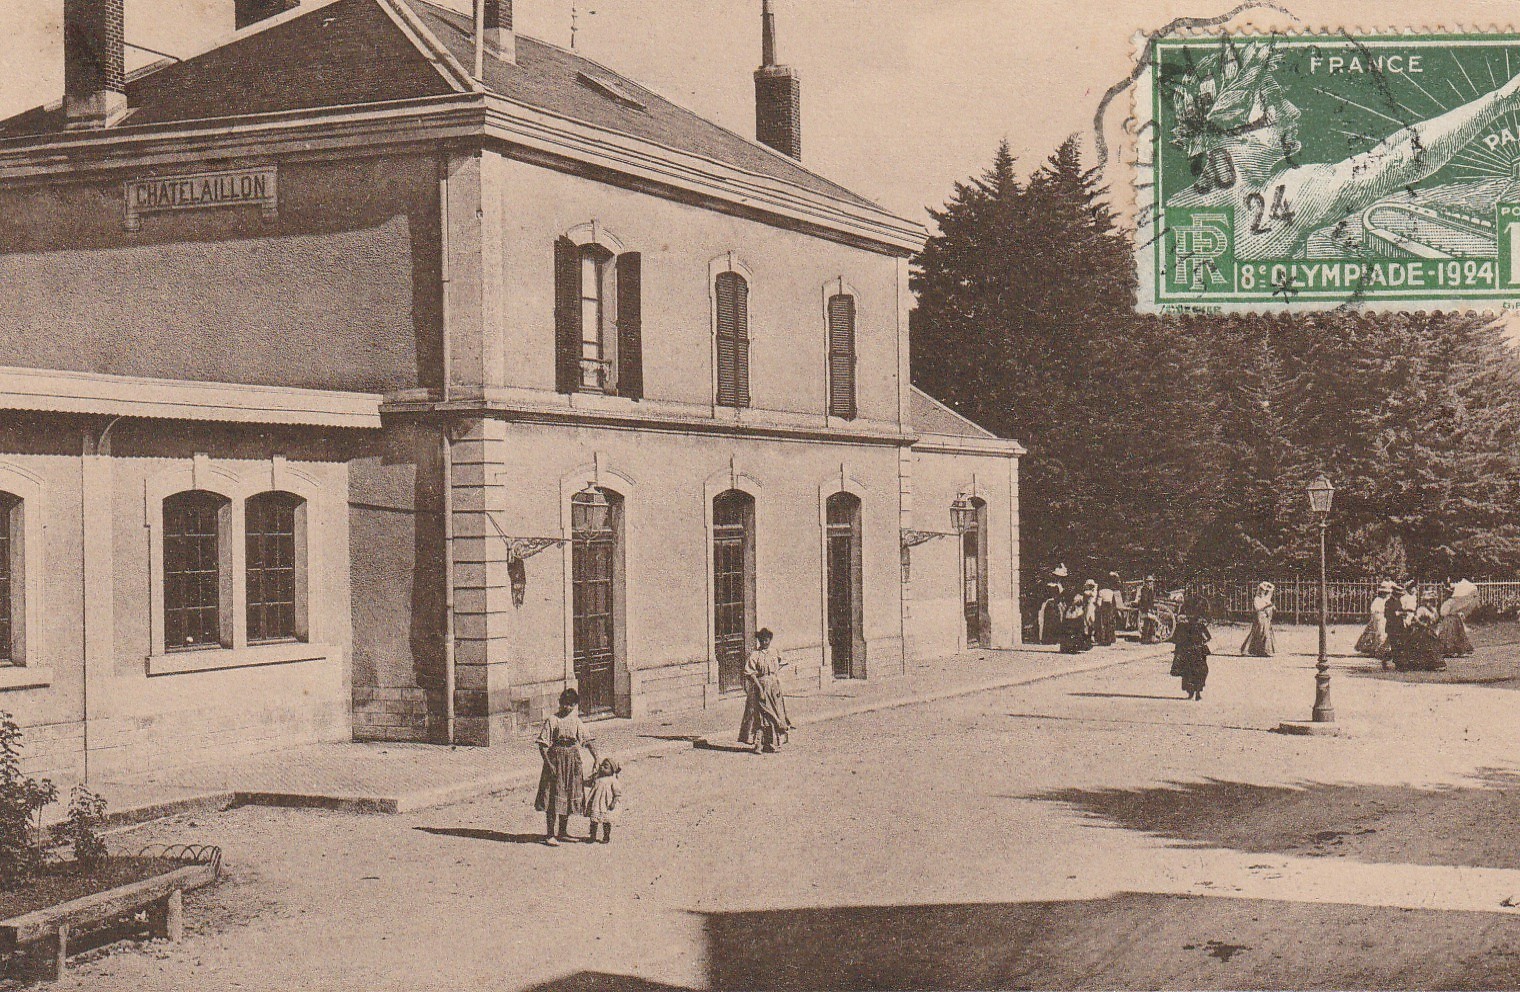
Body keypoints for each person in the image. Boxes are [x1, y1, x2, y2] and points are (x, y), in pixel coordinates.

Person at [535, 687, 601, 846]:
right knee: (553, 796)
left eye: (571, 705)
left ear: (575, 705)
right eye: (565, 704)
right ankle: (550, 834)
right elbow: (542, 745)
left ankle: (562, 832)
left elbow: (587, 740)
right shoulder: (552, 720)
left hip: (572, 759)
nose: (568, 708)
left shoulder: (576, 721)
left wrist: (597, 758)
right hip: (556, 760)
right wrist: (549, 764)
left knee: (569, 794)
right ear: (560, 703)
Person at [739, 628, 792, 754]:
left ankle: (770, 743)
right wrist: (760, 688)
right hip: (760, 686)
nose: (764, 642)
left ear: (770, 640)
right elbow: (750, 673)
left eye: (766, 640)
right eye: (762, 640)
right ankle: (758, 744)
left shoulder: (774, 652)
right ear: (759, 640)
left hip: (773, 687)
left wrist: (776, 681)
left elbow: (782, 663)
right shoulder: (755, 655)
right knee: (762, 715)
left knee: (775, 712)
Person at [1170, 595, 1212, 700]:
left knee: (1189, 670)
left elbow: (1177, 636)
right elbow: (1207, 634)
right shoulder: (1198, 621)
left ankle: (1192, 692)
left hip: (1189, 647)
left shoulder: (1184, 620)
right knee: (1199, 669)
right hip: (1196, 646)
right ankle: (1197, 692)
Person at [1405, 594, 1447, 672]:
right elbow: (1416, 619)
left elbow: (1436, 619)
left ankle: (1434, 664)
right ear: (1423, 601)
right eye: (1426, 601)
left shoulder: (1433, 609)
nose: (1428, 602)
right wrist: (1422, 624)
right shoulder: (1421, 609)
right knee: (1423, 645)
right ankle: (1421, 664)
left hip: (1430, 629)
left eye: (1430, 600)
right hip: (1422, 630)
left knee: (1433, 645)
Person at [585, 757, 622, 845]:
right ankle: (592, 836)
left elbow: (617, 793)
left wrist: (613, 803)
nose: (602, 768)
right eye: (601, 765)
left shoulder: (613, 780)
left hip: (606, 804)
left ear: (612, 770)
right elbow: (589, 785)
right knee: (594, 820)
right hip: (596, 803)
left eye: (606, 767)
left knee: (606, 821)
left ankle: (606, 837)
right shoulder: (597, 779)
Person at [1438, 578, 1477, 658]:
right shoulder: (1452, 602)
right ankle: (1453, 650)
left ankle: (1454, 650)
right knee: (1452, 634)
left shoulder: (1450, 602)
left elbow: (1443, 612)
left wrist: (1452, 612)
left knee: (1453, 634)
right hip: (1452, 619)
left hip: (1451, 619)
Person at [1355, 581, 1393, 658]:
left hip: (1385, 618)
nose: (1386, 594)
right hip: (1378, 618)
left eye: (1387, 593)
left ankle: (1379, 649)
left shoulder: (1387, 600)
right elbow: (1374, 610)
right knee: (1379, 633)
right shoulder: (1378, 600)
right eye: (1384, 593)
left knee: (1381, 633)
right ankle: (1377, 650)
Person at [1240, 581, 1276, 657]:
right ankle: (1249, 650)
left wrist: (1266, 584)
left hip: (1266, 618)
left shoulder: (1266, 598)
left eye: (1263, 590)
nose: (1262, 592)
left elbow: (1272, 588)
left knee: (1266, 633)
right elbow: (1258, 608)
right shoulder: (1257, 599)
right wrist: (1266, 606)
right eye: (1261, 590)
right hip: (1259, 617)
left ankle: (1264, 651)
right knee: (1257, 632)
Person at [1038, 565, 1068, 645]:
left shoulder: (1059, 585)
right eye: (1057, 577)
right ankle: (1049, 639)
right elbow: (1051, 596)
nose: (1058, 578)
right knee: (1051, 620)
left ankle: (1055, 639)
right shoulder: (1051, 585)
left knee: (1057, 620)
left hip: (1057, 603)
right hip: (1052, 604)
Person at [1059, 589, 1093, 654]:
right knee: (1076, 632)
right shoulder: (1080, 596)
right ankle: (1074, 647)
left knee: (1069, 632)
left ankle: (1067, 647)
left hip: (1069, 614)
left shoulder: (1066, 595)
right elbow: (1083, 605)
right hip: (1077, 614)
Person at [1094, 573, 1120, 647]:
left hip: (1104, 607)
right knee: (1110, 623)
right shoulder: (1111, 591)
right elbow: (1113, 602)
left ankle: (1103, 639)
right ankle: (1111, 638)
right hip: (1110, 607)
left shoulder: (1101, 591)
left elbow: (1099, 603)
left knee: (1103, 623)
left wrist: (1097, 609)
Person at [1138, 575, 1161, 644]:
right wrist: (1148, 609)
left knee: (1150, 623)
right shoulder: (1144, 589)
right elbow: (1145, 600)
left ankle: (1150, 638)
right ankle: (1145, 638)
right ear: (1147, 582)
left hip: (1149, 608)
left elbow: (1151, 601)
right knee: (1147, 623)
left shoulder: (1150, 589)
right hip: (1144, 608)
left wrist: (1152, 608)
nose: (1150, 583)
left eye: (1151, 582)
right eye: (1149, 582)